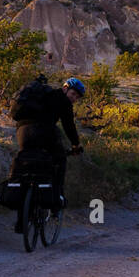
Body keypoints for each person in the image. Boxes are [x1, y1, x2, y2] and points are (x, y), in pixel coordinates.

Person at [12, 76, 85, 232]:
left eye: (76, 98)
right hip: (45, 132)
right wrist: (75, 145)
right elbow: (68, 126)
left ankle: (21, 220)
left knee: (25, 165)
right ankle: (57, 199)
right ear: (65, 88)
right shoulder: (61, 100)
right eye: (73, 94)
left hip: (22, 131)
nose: (74, 99)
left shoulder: (41, 94)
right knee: (60, 160)